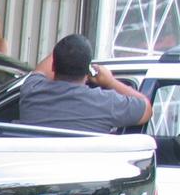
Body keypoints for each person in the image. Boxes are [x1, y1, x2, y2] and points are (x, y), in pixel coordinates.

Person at [18, 33, 152, 133]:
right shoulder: (106, 103)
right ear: (87, 71)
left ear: (54, 66)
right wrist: (110, 81)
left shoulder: (31, 90)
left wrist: (68, 48)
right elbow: (147, 109)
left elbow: (44, 66)